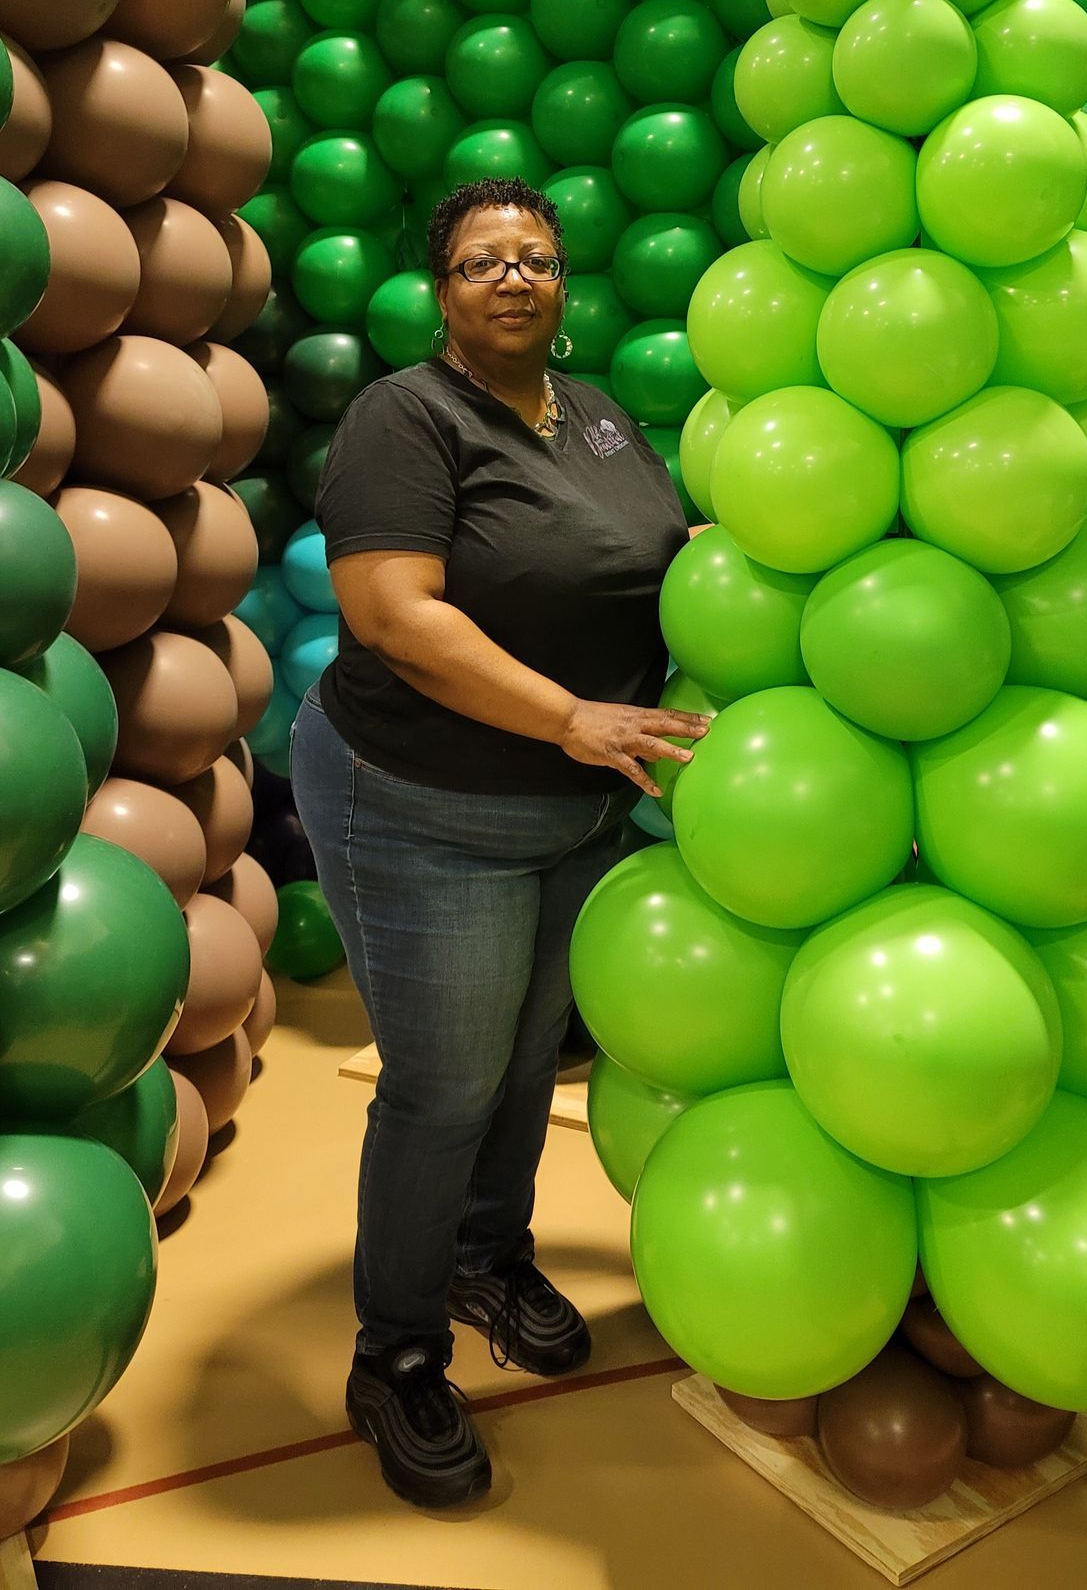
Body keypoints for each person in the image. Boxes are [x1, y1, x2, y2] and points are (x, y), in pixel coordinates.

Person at [289, 176, 708, 1511]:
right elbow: (397, 617)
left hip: (571, 807)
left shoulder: (591, 418)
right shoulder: (403, 420)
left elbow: (650, 553)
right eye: (483, 262)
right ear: (442, 294)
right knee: (446, 1080)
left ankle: (488, 1257)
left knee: (532, 1055)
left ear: (563, 286)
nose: (515, 277)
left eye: (536, 258)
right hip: (421, 803)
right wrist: (571, 715)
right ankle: (397, 1354)